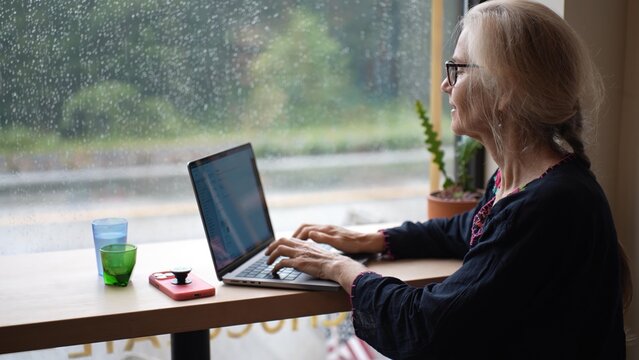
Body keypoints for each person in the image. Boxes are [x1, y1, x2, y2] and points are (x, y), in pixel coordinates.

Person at [266, 0, 631, 358]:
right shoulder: (524, 182)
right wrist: (375, 239)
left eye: (456, 69)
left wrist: (339, 267)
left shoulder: (548, 204)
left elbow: (426, 326)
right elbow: (467, 228)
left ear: (505, 89)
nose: (445, 84)